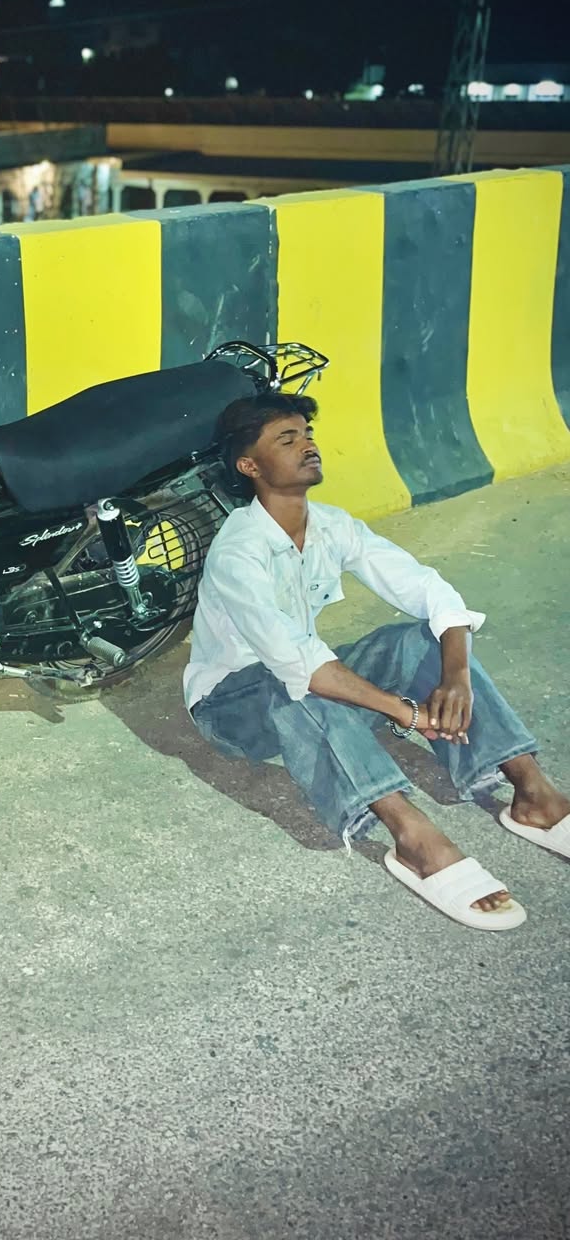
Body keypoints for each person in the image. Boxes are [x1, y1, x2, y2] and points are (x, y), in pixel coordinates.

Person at [185, 391, 570, 931]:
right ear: (250, 466)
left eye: (307, 435)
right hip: (231, 707)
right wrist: (406, 712)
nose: (308, 446)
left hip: (304, 678)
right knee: (298, 687)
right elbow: (300, 665)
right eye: (287, 439)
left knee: (415, 640)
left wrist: (455, 676)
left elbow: (427, 590)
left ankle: (533, 794)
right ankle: (414, 838)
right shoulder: (238, 551)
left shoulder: (331, 525)